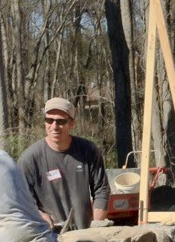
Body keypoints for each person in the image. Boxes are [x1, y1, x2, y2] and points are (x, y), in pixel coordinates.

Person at [18, 98, 110, 231]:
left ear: (71, 123)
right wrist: (40, 216)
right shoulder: (30, 159)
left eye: (61, 121)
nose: (54, 126)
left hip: (86, 234)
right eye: (49, 120)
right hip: (49, 237)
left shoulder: (88, 150)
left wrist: (96, 226)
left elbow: (102, 189)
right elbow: (22, 201)